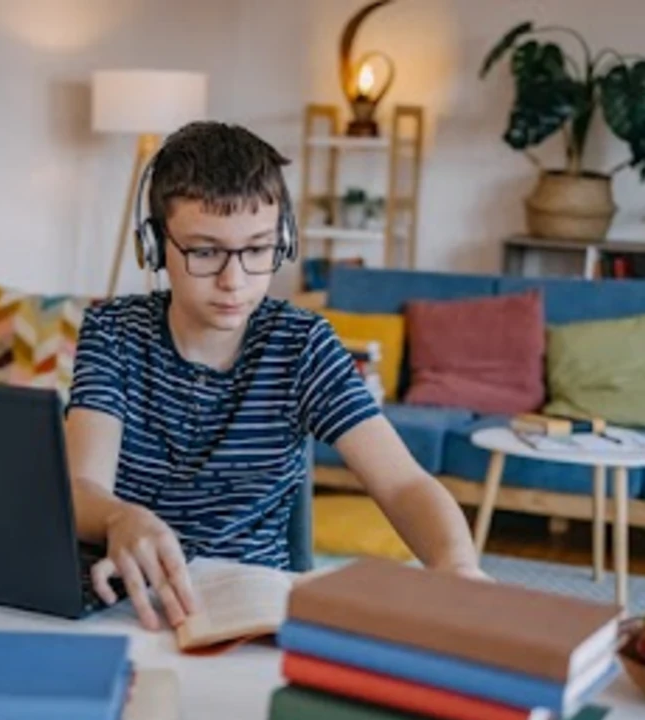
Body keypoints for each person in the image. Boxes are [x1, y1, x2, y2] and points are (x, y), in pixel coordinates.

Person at [64, 121, 485, 632]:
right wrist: (117, 518)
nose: (234, 280)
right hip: (126, 601)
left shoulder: (302, 344)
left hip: (245, 609)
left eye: (258, 249)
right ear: (153, 247)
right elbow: (82, 484)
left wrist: (457, 566)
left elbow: (402, 484)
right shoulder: (113, 333)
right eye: (205, 251)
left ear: (281, 241)